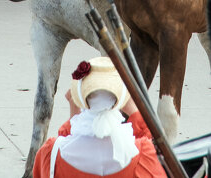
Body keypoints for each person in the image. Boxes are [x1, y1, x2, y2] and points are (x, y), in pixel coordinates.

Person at [32, 57, 164, 178]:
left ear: (80, 97)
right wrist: (134, 110)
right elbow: (157, 143)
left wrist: (74, 111)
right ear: (121, 99)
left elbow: (68, 138)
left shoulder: (51, 154)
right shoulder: (144, 155)